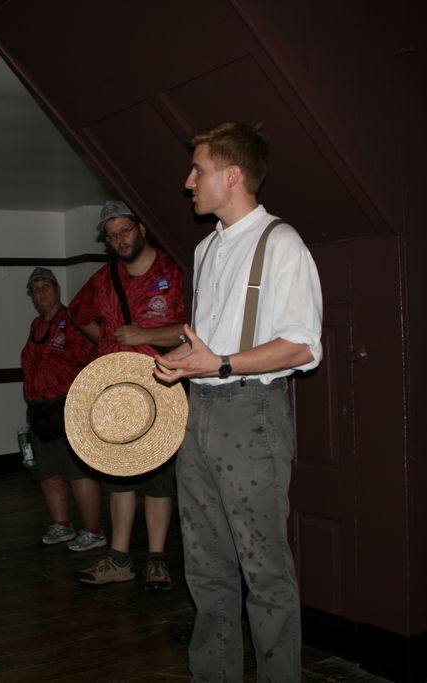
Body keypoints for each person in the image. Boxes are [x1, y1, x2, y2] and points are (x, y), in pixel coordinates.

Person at [153, 121, 323, 682]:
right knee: (206, 570)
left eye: (197, 170)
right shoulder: (204, 249)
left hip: (251, 416)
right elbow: (207, 340)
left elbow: (303, 345)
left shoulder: (282, 243)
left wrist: (221, 363)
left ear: (232, 175)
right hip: (198, 413)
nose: (188, 182)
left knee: (264, 573)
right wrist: (178, 361)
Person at [68, 201, 186, 590]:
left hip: (161, 389)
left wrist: (145, 336)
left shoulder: (174, 271)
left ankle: (156, 560)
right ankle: (118, 559)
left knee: (157, 480)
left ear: (142, 229)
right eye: (112, 235)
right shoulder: (103, 278)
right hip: (114, 393)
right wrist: (107, 345)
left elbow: (192, 330)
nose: (119, 240)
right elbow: (78, 314)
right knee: (119, 476)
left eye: (125, 231)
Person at [20, 267, 105, 551]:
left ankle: (93, 531)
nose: (41, 293)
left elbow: (94, 357)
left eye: (46, 286)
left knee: (77, 472)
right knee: (47, 472)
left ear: (57, 289)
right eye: (35, 289)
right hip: (39, 411)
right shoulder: (36, 325)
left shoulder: (74, 320)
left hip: (68, 407)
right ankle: (62, 525)